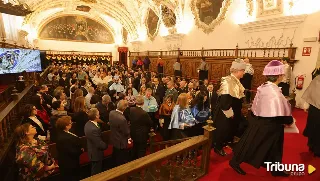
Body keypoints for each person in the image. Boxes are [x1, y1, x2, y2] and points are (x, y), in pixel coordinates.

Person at [229, 60, 294, 177]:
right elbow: (281, 113)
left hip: (261, 120)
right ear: (279, 76)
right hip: (269, 124)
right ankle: (235, 161)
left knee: (272, 147)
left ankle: (276, 169)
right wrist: (288, 120)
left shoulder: (263, 86)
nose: (283, 76)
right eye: (282, 74)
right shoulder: (274, 92)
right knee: (254, 145)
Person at [213, 58, 246, 156]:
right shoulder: (228, 81)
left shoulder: (236, 80)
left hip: (233, 111)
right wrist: (230, 113)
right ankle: (218, 147)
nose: (244, 72)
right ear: (237, 71)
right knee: (223, 130)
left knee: (230, 130)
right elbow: (224, 101)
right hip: (225, 112)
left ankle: (225, 144)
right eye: (243, 70)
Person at [56, 116, 83, 181]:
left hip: (70, 161)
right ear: (66, 126)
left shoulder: (65, 132)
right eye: (70, 123)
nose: (72, 124)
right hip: (69, 163)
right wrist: (80, 150)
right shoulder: (64, 138)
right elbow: (72, 151)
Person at [84, 108, 108, 176]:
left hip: (94, 150)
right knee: (96, 173)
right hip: (95, 153)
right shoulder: (93, 129)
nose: (99, 115)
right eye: (98, 114)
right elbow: (99, 143)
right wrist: (106, 145)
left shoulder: (89, 123)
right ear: (96, 116)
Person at [302, 75, 320, 157]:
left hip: (314, 109)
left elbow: (311, 93)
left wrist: (306, 105)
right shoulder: (317, 78)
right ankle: (314, 148)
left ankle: (312, 147)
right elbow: (311, 92)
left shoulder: (317, 78)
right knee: (314, 127)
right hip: (315, 109)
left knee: (314, 128)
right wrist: (306, 105)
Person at [129, 96, 153, 160]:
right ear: (143, 103)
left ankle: (132, 162)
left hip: (133, 132)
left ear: (136, 102)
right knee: (141, 150)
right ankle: (140, 164)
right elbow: (150, 123)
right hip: (142, 134)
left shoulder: (131, 110)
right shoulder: (144, 113)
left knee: (135, 147)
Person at [109, 100, 131, 167]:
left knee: (115, 156)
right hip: (121, 141)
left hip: (114, 138)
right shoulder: (122, 119)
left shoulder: (111, 112)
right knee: (120, 159)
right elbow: (126, 132)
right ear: (124, 108)